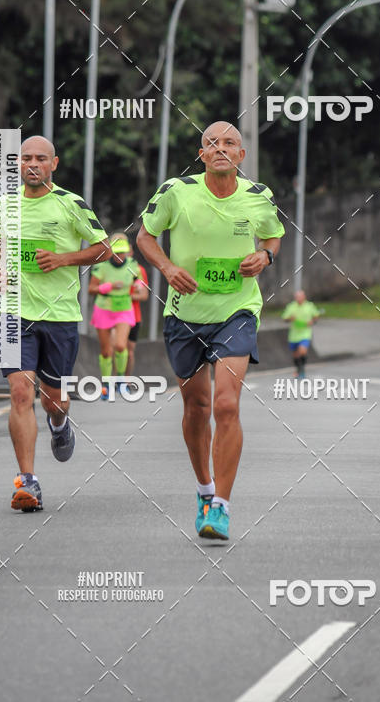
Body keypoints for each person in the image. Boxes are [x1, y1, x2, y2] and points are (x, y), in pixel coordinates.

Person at [137, 120, 284, 541]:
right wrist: (166, 267)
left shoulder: (258, 197)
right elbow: (145, 236)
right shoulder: (176, 192)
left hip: (237, 310)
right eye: (211, 143)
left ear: (241, 155)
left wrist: (265, 258)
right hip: (185, 313)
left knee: (225, 405)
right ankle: (204, 488)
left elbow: (274, 236)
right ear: (201, 155)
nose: (220, 148)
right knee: (196, 408)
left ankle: (221, 505)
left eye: (229, 143)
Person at [0, 135, 111, 512]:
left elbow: (103, 247)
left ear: (53, 165)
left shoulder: (69, 204)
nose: (32, 164)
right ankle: (26, 482)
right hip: (14, 313)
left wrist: (63, 259)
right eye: (26, 158)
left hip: (59, 316)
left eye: (40, 159)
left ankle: (59, 425)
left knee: (53, 400)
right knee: (20, 393)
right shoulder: (5, 204)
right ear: (17, 163)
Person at [89, 233, 141, 399]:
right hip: (104, 308)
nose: (120, 256)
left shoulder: (133, 264)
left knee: (120, 345)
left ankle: (121, 380)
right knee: (106, 351)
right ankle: (105, 385)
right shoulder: (101, 266)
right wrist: (108, 286)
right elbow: (91, 289)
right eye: (116, 252)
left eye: (122, 252)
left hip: (124, 308)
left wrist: (138, 286)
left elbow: (137, 280)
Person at [281, 290, 323, 378]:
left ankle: (302, 370)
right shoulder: (291, 306)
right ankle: (297, 369)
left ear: (304, 297)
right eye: (296, 297)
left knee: (302, 351)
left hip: (305, 333)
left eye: (300, 296)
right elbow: (284, 318)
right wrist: (290, 319)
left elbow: (316, 316)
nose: (298, 298)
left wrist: (312, 321)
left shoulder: (309, 306)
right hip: (294, 334)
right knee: (295, 354)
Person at [126, 246, 149, 377]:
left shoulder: (138, 270)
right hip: (112, 313)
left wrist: (124, 295)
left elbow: (144, 295)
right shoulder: (107, 269)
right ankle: (111, 380)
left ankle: (125, 380)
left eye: (125, 250)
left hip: (134, 316)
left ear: (131, 252)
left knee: (129, 351)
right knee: (115, 348)